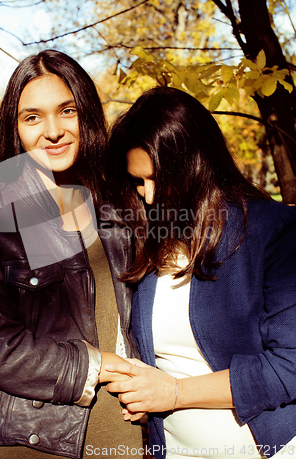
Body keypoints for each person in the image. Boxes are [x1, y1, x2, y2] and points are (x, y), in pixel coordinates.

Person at [0, 50, 143, 459]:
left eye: (67, 110)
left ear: (88, 114)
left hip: (123, 435)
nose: (54, 131)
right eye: (33, 117)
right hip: (29, 439)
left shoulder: (121, 206)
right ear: (16, 127)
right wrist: (98, 365)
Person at [104, 86, 296, 459]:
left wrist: (173, 392)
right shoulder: (149, 238)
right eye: (138, 181)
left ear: (197, 165)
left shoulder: (273, 231)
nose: (148, 197)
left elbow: (291, 366)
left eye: (157, 179)